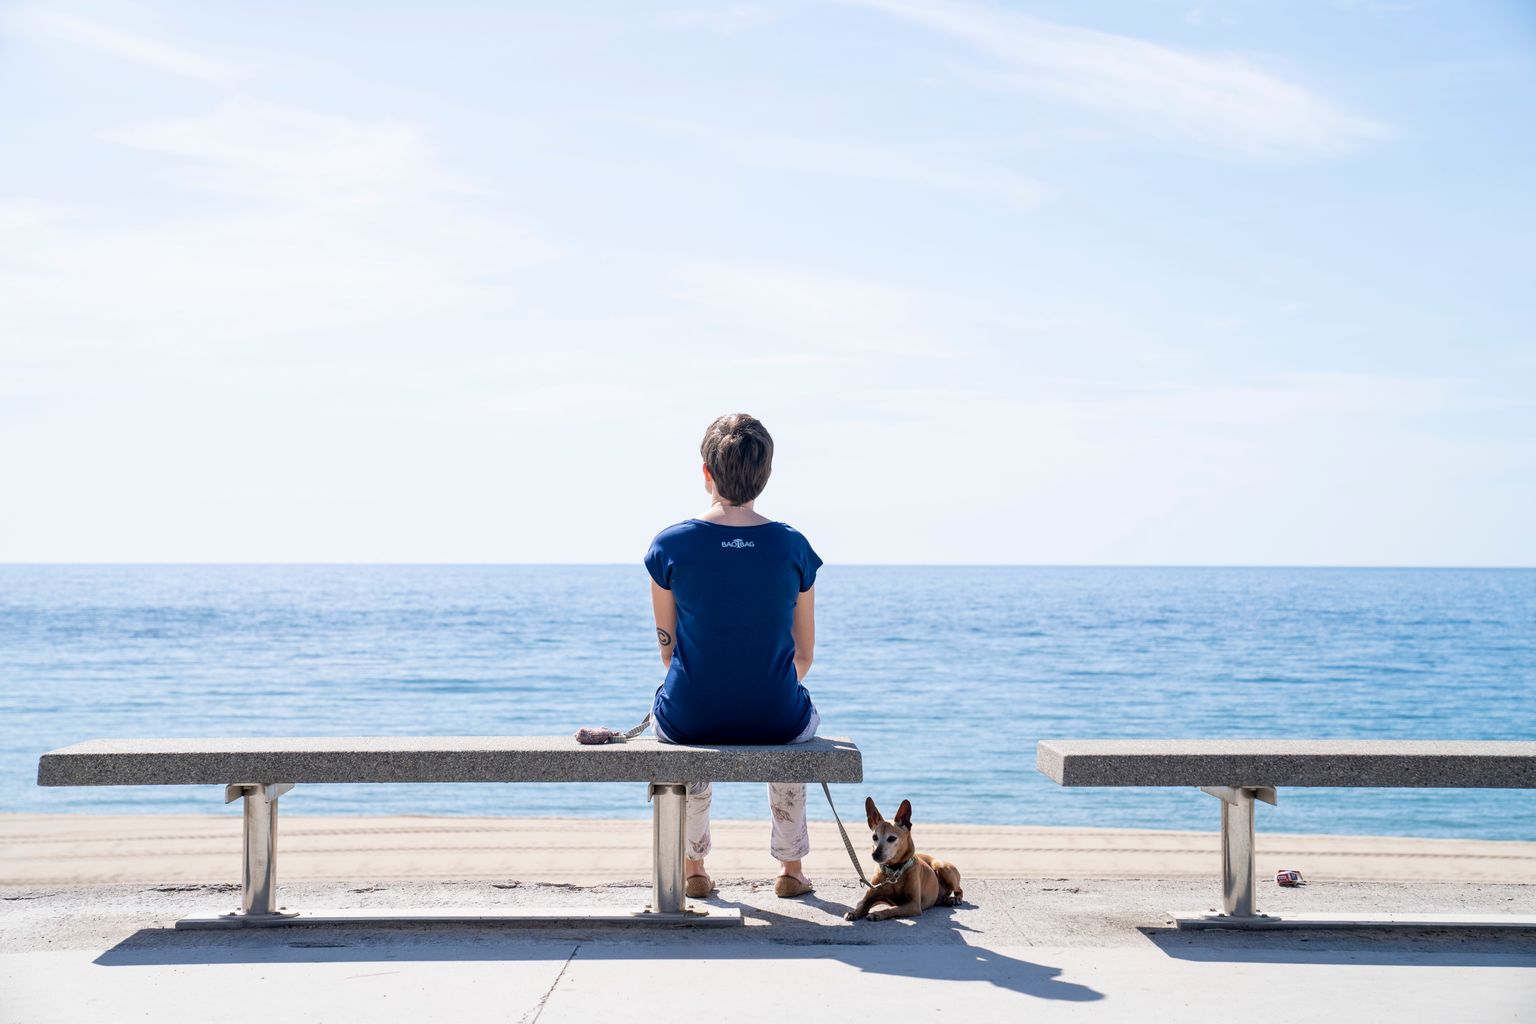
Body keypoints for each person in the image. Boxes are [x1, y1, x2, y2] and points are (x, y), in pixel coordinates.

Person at [645, 413, 823, 899]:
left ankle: (693, 867)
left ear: (706, 472)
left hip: (691, 714)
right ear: (765, 476)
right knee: (792, 731)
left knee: (689, 726)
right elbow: (803, 653)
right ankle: (791, 869)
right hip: (776, 715)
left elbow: (668, 648)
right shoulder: (793, 545)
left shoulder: (670, 545)